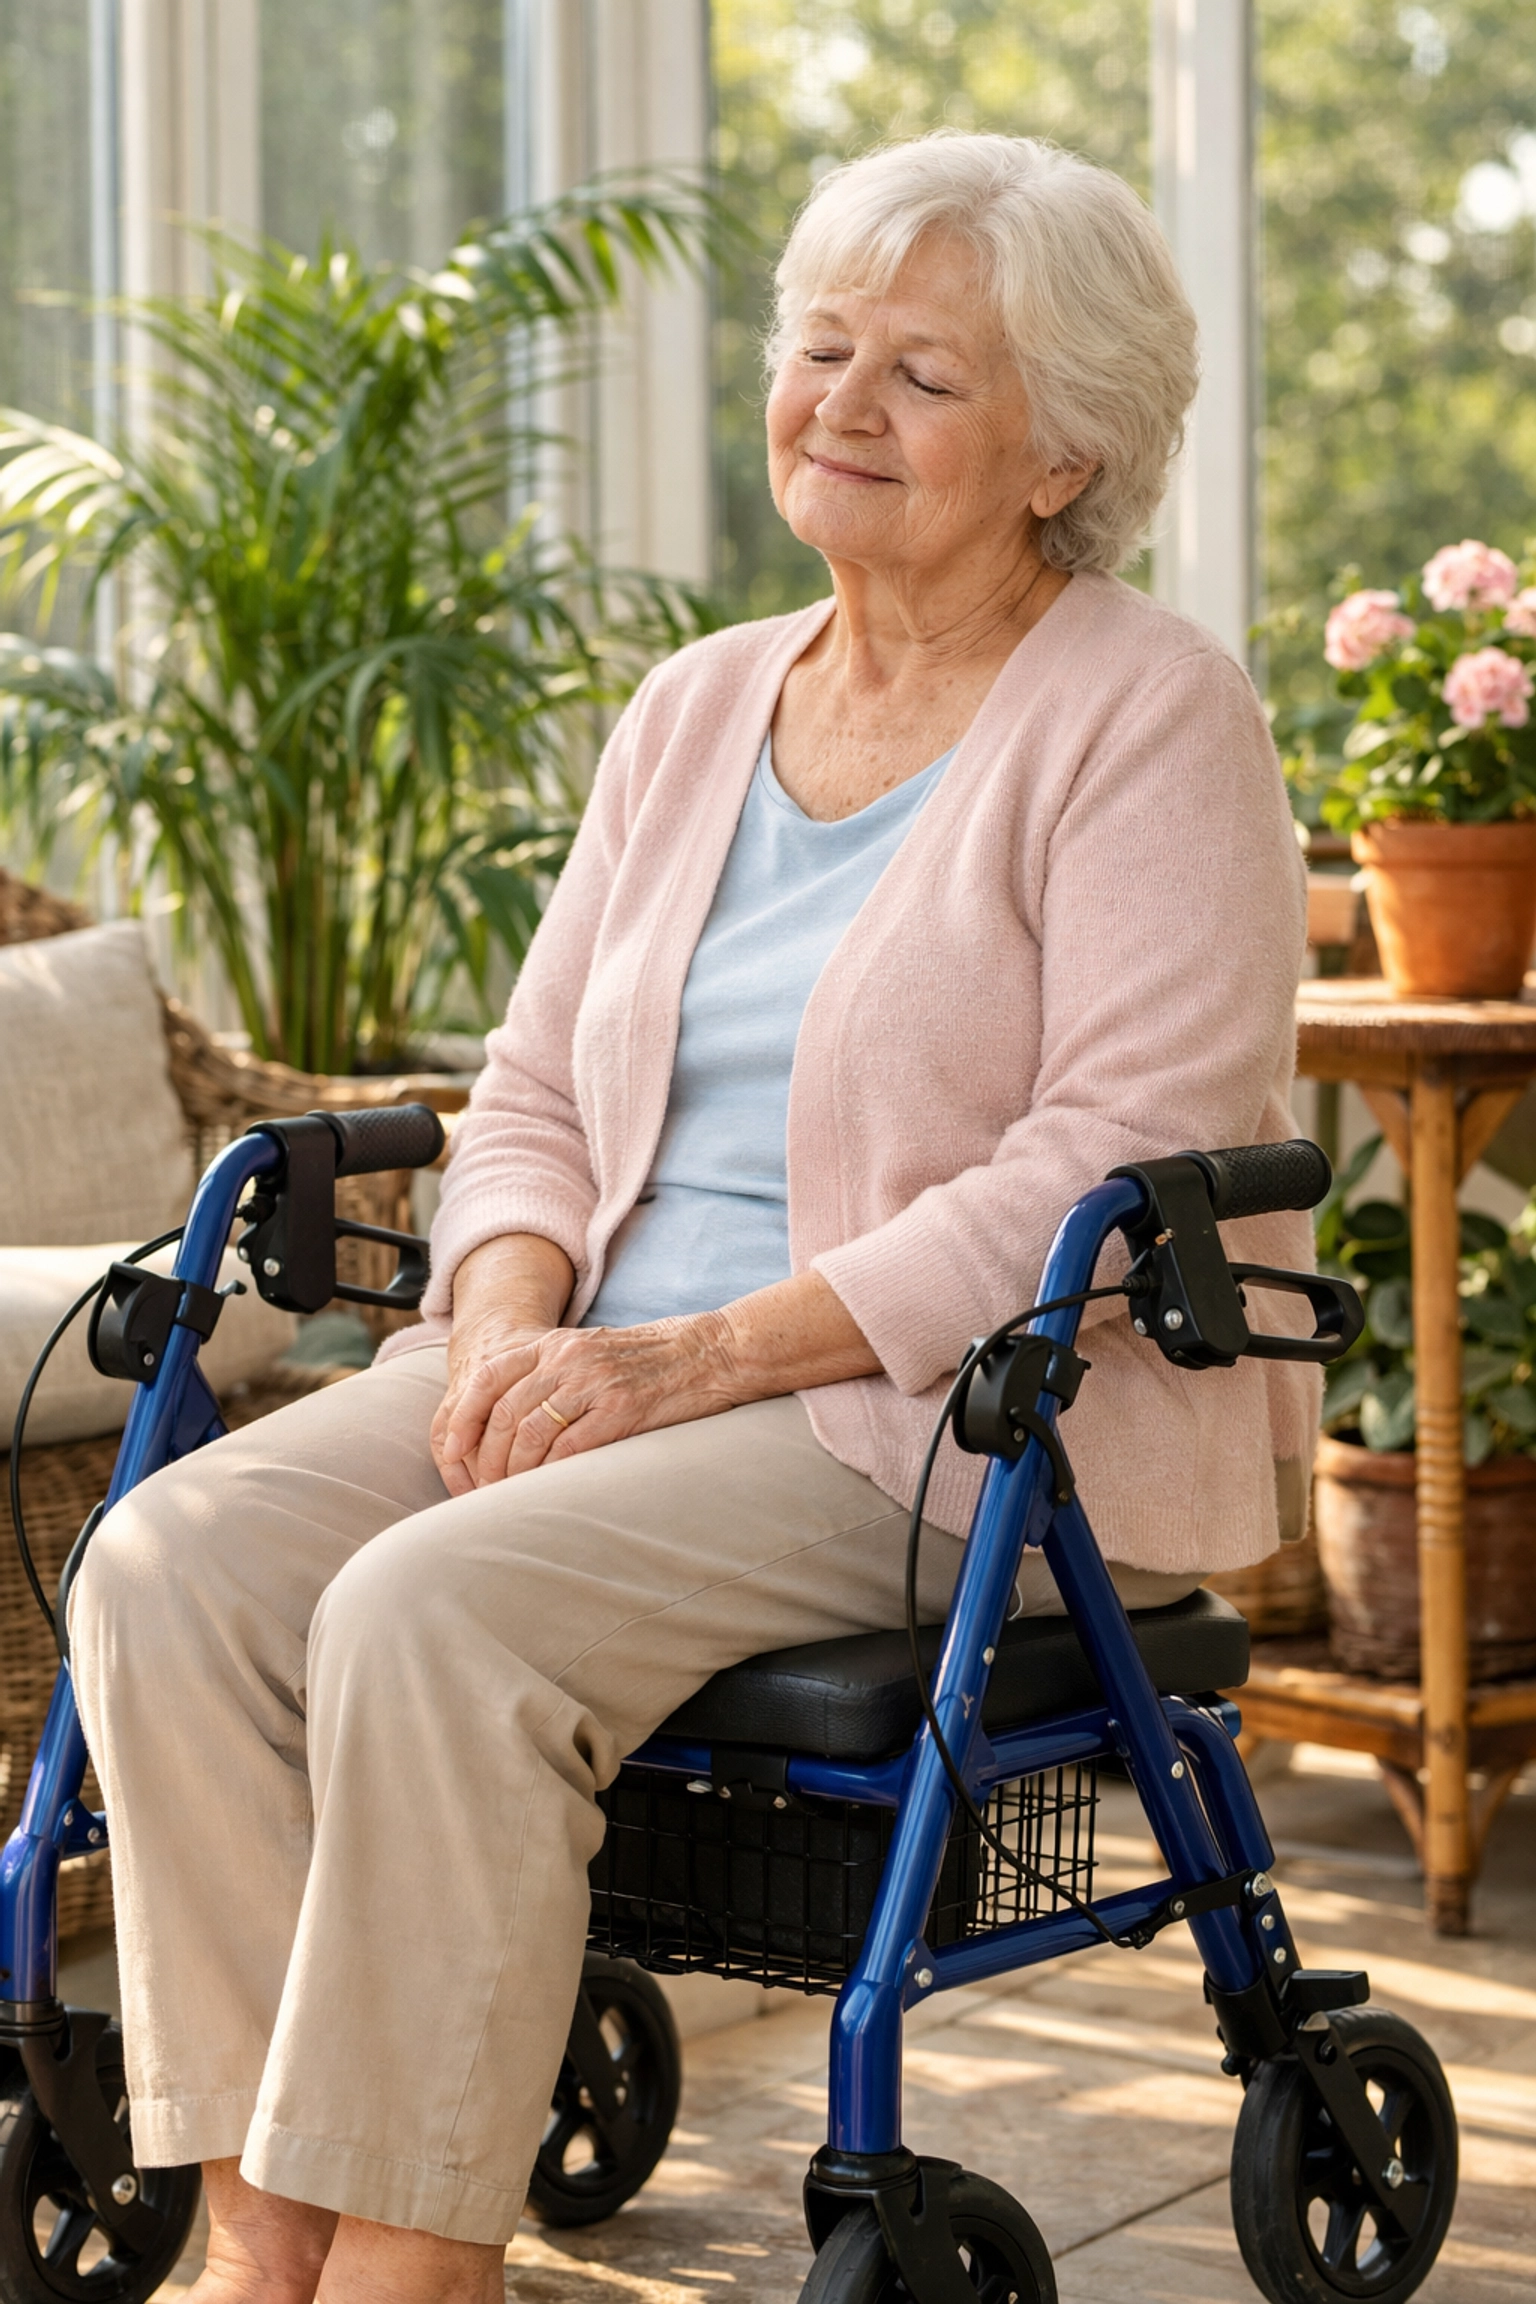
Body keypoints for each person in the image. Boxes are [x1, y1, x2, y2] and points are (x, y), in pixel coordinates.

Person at [71, 131, 1317, 2304]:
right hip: (601, 1354)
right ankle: (259, 2239)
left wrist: (697, 1354)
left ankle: (409, 2262)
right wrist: (515, 1312)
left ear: (1065, 451)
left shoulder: (1151, 713)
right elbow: (539, 1086)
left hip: (925, 1412)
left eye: (921, 374)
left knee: (427, 1614)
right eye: (818, 345)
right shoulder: (694, 707)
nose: (837, 401)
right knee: (173, 1560)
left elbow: (1102, 1153)